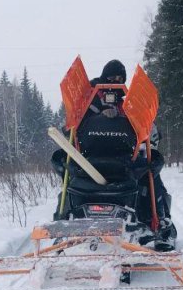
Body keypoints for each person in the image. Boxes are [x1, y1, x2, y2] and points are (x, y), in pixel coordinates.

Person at [54, 59, 176, 246]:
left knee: (152, 174)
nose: (115, 81)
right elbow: (70, 127)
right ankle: (61, 219)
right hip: (91, 160)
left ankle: (160, 223)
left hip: (124, 161)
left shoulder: (128, 106)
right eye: (111, 77)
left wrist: (148, 133)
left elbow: (147, 129)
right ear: (104, 77)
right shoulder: (87, 102)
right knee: (66, 173)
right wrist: (97, 116)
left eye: (119, 78)